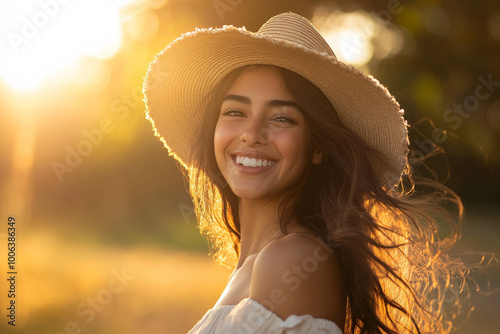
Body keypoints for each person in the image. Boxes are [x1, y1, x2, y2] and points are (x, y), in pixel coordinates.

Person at [143, 12, 468, 334]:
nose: (252, 133)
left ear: (318, 147)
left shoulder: (290, 261)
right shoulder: (258, 264)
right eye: (235, 112)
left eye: (281, 118)